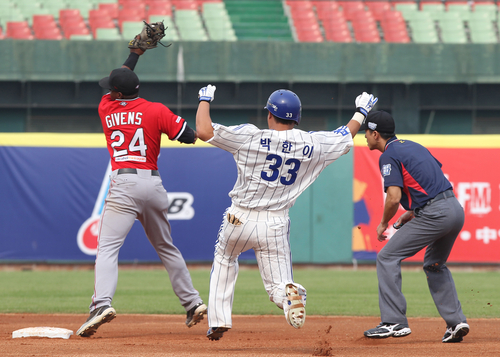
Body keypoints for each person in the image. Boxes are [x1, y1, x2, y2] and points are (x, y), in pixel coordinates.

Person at [195, 84, 378, 341]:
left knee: (225, 259)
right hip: (275, 223)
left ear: (269, 114)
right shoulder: (312, 143)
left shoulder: (250, 136)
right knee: (276, 287)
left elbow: (204, 130)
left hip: (239, 217)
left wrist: (204, 99)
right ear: (297, 118)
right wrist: (361, 111)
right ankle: (290, 292)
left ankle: (219, 320)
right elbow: (345, 135)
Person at [76, 47, 207, 337]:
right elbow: (188, 136)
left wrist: (135, 53)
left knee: (108, 248)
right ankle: (192, 302)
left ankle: (101, 304)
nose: (109, 91)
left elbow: (117, 80)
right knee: (166, 247)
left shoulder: (106, 107)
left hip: (124, 184)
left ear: (117, 94)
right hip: (153, 183)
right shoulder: (156, 109)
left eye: (112, 89)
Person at [360, 110, 469, 343]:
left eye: (367, 132)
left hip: (435, 214)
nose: (365, 137)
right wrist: (412, 213)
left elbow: (393, 197)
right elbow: (431, 182)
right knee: (434, 265)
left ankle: (393, 321)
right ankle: (456, 322)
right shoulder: (413, 145)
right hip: (454, 209)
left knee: (387, 257)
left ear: (376, 134)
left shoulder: (387, 155)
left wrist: (383, 223)